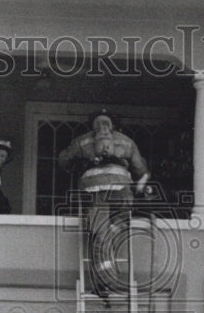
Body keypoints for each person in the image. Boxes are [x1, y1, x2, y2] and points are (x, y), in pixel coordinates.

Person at [58, 112, 149, 299]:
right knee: (117, 228)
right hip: (121, 192)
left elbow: (63, 160)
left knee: (100, 235)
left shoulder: (82, 141)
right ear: (114, 125)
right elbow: (140, 169)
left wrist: (79, 164)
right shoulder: (126, 141)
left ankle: (105, 282)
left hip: (94, 192)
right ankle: (109, 278)